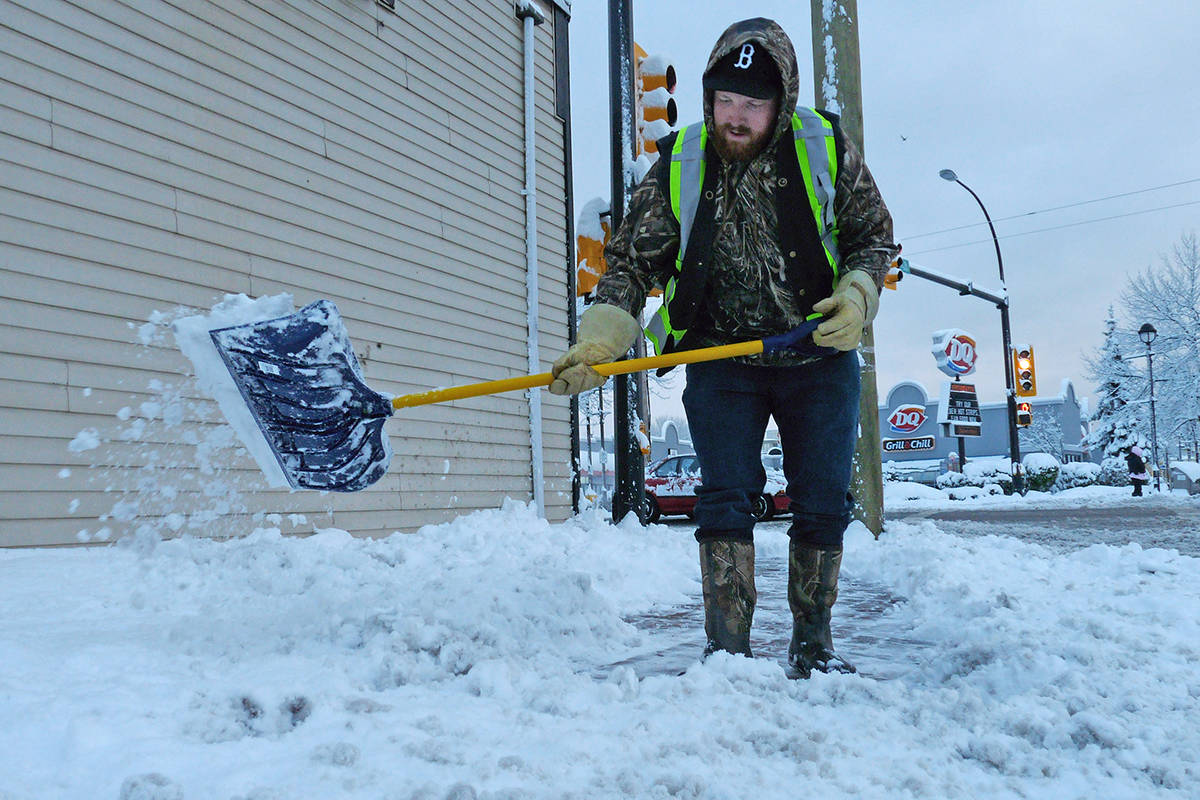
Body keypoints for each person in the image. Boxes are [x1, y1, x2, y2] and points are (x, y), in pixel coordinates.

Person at [549, 18, 897, 678]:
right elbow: (630, 263)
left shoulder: (824, 147)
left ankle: (813, 646)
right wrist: (600, 338)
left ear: (781, 104)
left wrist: (857, 295)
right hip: (720, 359)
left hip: (818, 356)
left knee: (822, 500)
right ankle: (727, 652)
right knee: (725, 497)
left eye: (753, 104)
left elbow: (871, 238)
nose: (736, 118)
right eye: (725, 101)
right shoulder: (681, 159)